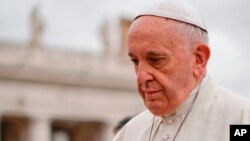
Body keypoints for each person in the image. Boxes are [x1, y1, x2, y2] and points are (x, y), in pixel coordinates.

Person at [112, 0, 250, 141]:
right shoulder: (128, 133)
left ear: (198, 59)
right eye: (135, 61)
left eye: (156, 60)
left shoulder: (243, 121)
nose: (141, 77)